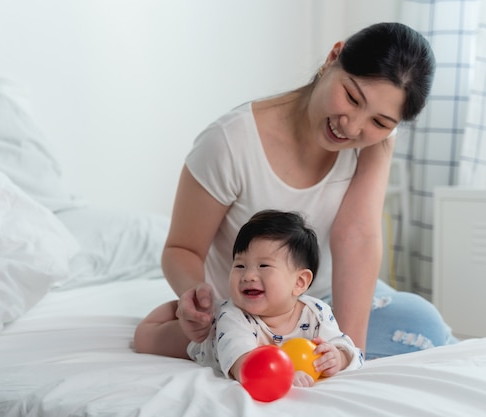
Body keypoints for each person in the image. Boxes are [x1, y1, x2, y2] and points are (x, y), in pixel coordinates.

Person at [149, 22, 456, 360]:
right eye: (352, 97)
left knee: (425, 323)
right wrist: (198, 299)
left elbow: (357, 236)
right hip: (256, 313)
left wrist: (349, 354)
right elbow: (182, 248)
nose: (352, 126)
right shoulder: (229, 142)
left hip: (320, 306)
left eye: (380, 122)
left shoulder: (376, 140)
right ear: (333, 57)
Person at [135, 210, 363, 387]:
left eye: (263, 265)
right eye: (240, 265)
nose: (248, 275)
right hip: (206, 339)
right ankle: (174, 309)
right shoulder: (232, 316)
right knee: (145, 339)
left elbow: (346, 346)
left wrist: (338, 358)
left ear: (299, 282)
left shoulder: (317, 312)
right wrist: (284, 374)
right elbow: (243, 364)